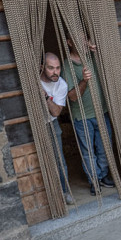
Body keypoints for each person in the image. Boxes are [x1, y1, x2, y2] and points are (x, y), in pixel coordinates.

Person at [61, 37, 115, 195]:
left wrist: (98, 51)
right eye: (78, 38)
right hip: (82, 117)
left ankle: (103, 175)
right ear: (69, 42)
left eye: (84, 38)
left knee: (105, 148)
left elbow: (112, 65)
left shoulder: (93, 57)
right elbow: (72, 97)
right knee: (88, 152)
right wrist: (84, 81)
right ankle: (94, 180)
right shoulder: (67, 66)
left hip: (102, 112)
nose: (83, 42)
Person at [38, 52, 75, 205]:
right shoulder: (33, 80)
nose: (55, 72)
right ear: (42, 67)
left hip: (51, 123)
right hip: (34, 124)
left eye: (58, 68)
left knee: (59, 160)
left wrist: (45, 96)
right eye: (51, 68)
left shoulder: (62, 84)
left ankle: (64, 192)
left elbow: (56, 112)